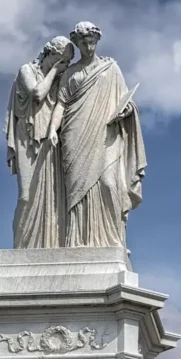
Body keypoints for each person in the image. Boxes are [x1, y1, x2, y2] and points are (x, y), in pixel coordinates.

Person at [47, 21, 147, 248]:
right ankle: (77, 241)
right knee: (77, 189)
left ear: (97, 40)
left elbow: (126, 99)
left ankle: (111, 240)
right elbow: (61, 104)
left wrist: (128, 110)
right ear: (77, 43)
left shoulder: (111, 69)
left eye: (91, 40)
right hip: (74, 133)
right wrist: (53, 129)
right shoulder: (70, 72)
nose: (87, 44)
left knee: (109, 184)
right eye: (82, 41)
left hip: (106, 133)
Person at [5, 36, 74, 248]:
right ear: (50, 54)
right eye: (62, 60)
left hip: (51, 140)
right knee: (26, 196)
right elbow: (37, 94)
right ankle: (20, 247)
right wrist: (55, 71)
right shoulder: (26, 70)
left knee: (51, 198)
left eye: (68, 63)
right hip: (27, 135)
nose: (65, 66)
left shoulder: (60, 80)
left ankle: (49, 245)